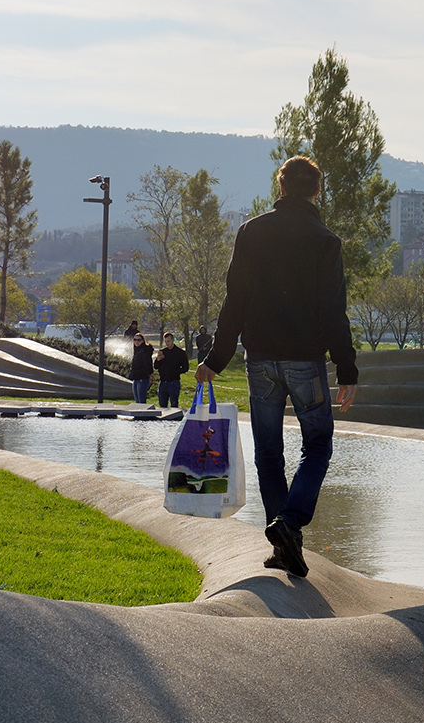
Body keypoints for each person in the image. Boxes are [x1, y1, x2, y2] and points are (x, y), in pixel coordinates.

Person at [197, 155, 357, 579]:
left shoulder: (251, 232)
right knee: (318, 444)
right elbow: (334, 312)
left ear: (281, 186)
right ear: (316, 191)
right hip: (306, 360)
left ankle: (283, 538)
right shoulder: (326, 242)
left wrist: (215, 360)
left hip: (261, 359)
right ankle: (288, 525)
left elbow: (235, 301)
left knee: (269, 450)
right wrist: (347, 369)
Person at [153, 332, 188, 409]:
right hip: (163, 381)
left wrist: (175, 372)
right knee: (162, 405)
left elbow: (186, 367)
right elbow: (155, 366)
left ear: (172, 340)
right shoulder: (163, 352)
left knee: (174, 404)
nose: (167, 343)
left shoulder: (180, 353)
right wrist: (158, 360)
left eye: (168, 341)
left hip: (174, 382)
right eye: (165, 342)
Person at [128, 332, 153, 404]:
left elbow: (148, 368)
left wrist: (137, 372)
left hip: (142, 379)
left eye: (139, 340)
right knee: (137, 401)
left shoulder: (144, 352)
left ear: (143, 341)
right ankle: (138, 415)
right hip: (136, 379)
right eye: (135, 340)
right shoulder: (137, 351)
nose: (136, 342)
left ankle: (143, 415)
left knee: (141, 402)